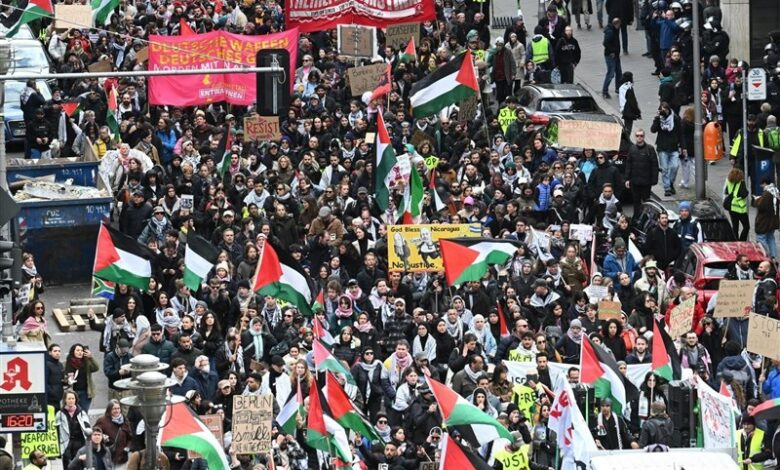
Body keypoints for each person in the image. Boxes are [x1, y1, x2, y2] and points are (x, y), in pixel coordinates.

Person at [651, 101, 683, 196]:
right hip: (662, 147)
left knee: (675, 166)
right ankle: (667, 188)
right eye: (662, 110)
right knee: (664, 169)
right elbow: (653, 130)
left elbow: (680, 133)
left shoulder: (675, 118)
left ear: (669, 109)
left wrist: (683, 146)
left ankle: (670, 182)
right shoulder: (659, 119)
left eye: (665, 110)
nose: (664, 112)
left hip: (673, 147)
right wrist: (657, 118)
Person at [624, 128, 658, 213]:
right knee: (636, 201)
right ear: (635, 137)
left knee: (646, 201)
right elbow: (629, 164)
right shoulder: (632, 149)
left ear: (644, 137)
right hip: (635, 181)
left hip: (646, 181)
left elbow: (654, 165)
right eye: (637, 136)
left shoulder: (650, 149)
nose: (639, 137)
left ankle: (646, 218)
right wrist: (627, 178)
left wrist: (654, 179)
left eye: (641, 136)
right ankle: (636, 218)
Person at [56, 391, 92, 469]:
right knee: (67, 466)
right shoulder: (60, 414)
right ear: (65, 400)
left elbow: (87, 428)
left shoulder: (82, 413)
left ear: (75, 400)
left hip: (80, 444)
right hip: (66, 445)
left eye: (73, 398)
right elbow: (57, 431)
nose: (71, 400)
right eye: (69, 398)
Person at [64, 343, 99, 412]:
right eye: (77, 350)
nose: (80, 352)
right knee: (72, 413)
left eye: (81, 350)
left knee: (83, 413)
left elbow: (96, 368)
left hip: (85, 393)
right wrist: (67, 380)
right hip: (72, 392)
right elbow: (63, 376)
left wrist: (90, 357)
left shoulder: (86, 362)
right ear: (73, 352)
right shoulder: (67, 363)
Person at [724, 167, 750, 241]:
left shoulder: (729, 182)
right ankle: (742, 240)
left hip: (731, 208)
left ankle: (735, 241)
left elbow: (726, 191)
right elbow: (743, 194)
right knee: (746, 226)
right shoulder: (741, 183)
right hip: (740, 208)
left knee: (735, 227)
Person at [602, 17, 623, 99]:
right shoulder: (610, 32)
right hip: (611, 55)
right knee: (610, 74)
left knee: (618, 72)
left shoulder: (614, 30)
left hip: (616, 54)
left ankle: (618, 88)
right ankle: (605, 91)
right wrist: (612, 51)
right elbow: (605, 43)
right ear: (616, 24)